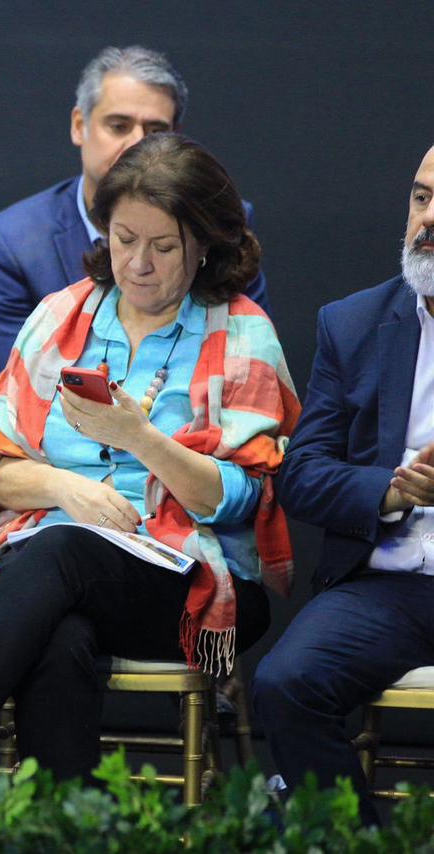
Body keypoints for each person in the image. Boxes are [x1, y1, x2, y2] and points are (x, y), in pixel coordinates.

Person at [0, 133, 298, 797]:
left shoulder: (240, 331)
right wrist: (58, 485)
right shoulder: (62, 317)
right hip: (56, 574)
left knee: (58, 555)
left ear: (206, 244)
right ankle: (70, 822)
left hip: (195, 582)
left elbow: (241, 498)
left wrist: (140, 437)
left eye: (163, 247)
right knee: (59, 633)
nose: (137, 263)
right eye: (122, 237)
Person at [252, 144, 434, 827]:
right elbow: (303, 475)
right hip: (387, 583)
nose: (428, 219)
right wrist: (395, 490)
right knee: (287, 682)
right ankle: (361, 844)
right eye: (420, 198)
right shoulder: (354, 323)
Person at [0, 45, 270, 368]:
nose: (137, 144)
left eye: (155, 130)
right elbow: (20, 379)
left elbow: (244, 360)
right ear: (79, 125)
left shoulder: (220, 220)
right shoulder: (16, 240)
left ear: (175, 138)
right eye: (118, 126)